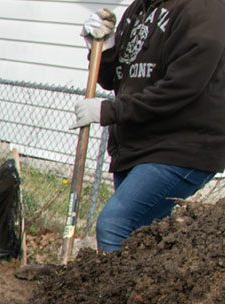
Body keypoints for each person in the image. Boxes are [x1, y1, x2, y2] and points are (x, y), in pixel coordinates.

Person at [74, 1, 225, 252]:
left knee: (115, 223)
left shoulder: (205, 9)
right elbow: (115, 78)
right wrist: (105, 48)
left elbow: (181, 88)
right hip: (136, 145)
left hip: (181, 146)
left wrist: (109, 111)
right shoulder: (141, 8)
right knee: (141, 240)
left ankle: (112, 292)